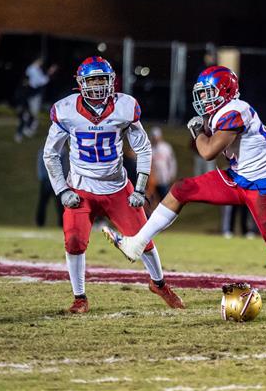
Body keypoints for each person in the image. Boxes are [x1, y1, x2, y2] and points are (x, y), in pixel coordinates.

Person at [103, 66, 266, 320]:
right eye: (201, 94)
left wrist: (198, 131)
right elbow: (263, 130)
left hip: (263, 189)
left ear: (225, 92)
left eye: (209, 93)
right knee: (181, 189)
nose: (203, 100)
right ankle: (138, 243)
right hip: (239, 178)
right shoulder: (233, 109)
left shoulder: (233, 111)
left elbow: (208, 151)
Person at [43, 56, 183, 314]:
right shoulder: (65, 110)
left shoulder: (124, 106)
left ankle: (159, 283)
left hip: (118, 188)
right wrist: (62, 190)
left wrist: (140, 189)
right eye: (92, 79)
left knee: (144, 239)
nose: (97, 85)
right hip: (81, 188)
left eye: (101, 79)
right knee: (74, 240)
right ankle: (79, 297)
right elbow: (50, 154)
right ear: (80, 83)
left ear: (111, 81)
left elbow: (143, 148)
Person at [23, 57, 57, 138]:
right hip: (34, 93)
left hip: (29, 93)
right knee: (33, 112)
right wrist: (50, 72)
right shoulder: (35, 69)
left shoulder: (30, 68)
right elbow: (43, 81)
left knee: (30, 112)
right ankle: (30, 129)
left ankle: (28, 128)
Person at [36, 146, 67, 227]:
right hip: (49, 180)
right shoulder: (44, 150)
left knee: (59, 204)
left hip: (55, 181)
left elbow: (64, 167)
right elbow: (40, 165)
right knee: (43, 203)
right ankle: (40, 223)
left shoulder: (61, 151)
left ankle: (61, 223)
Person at [149, 127, 177, 201]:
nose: (156, 139)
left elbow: (172, 162)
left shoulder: (166, 147)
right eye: (154, 137)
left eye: (157, 137)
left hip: (164, 178)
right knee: (153, 200)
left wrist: (171, 174)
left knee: (164, 200)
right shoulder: (150, 149)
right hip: (153, 180)